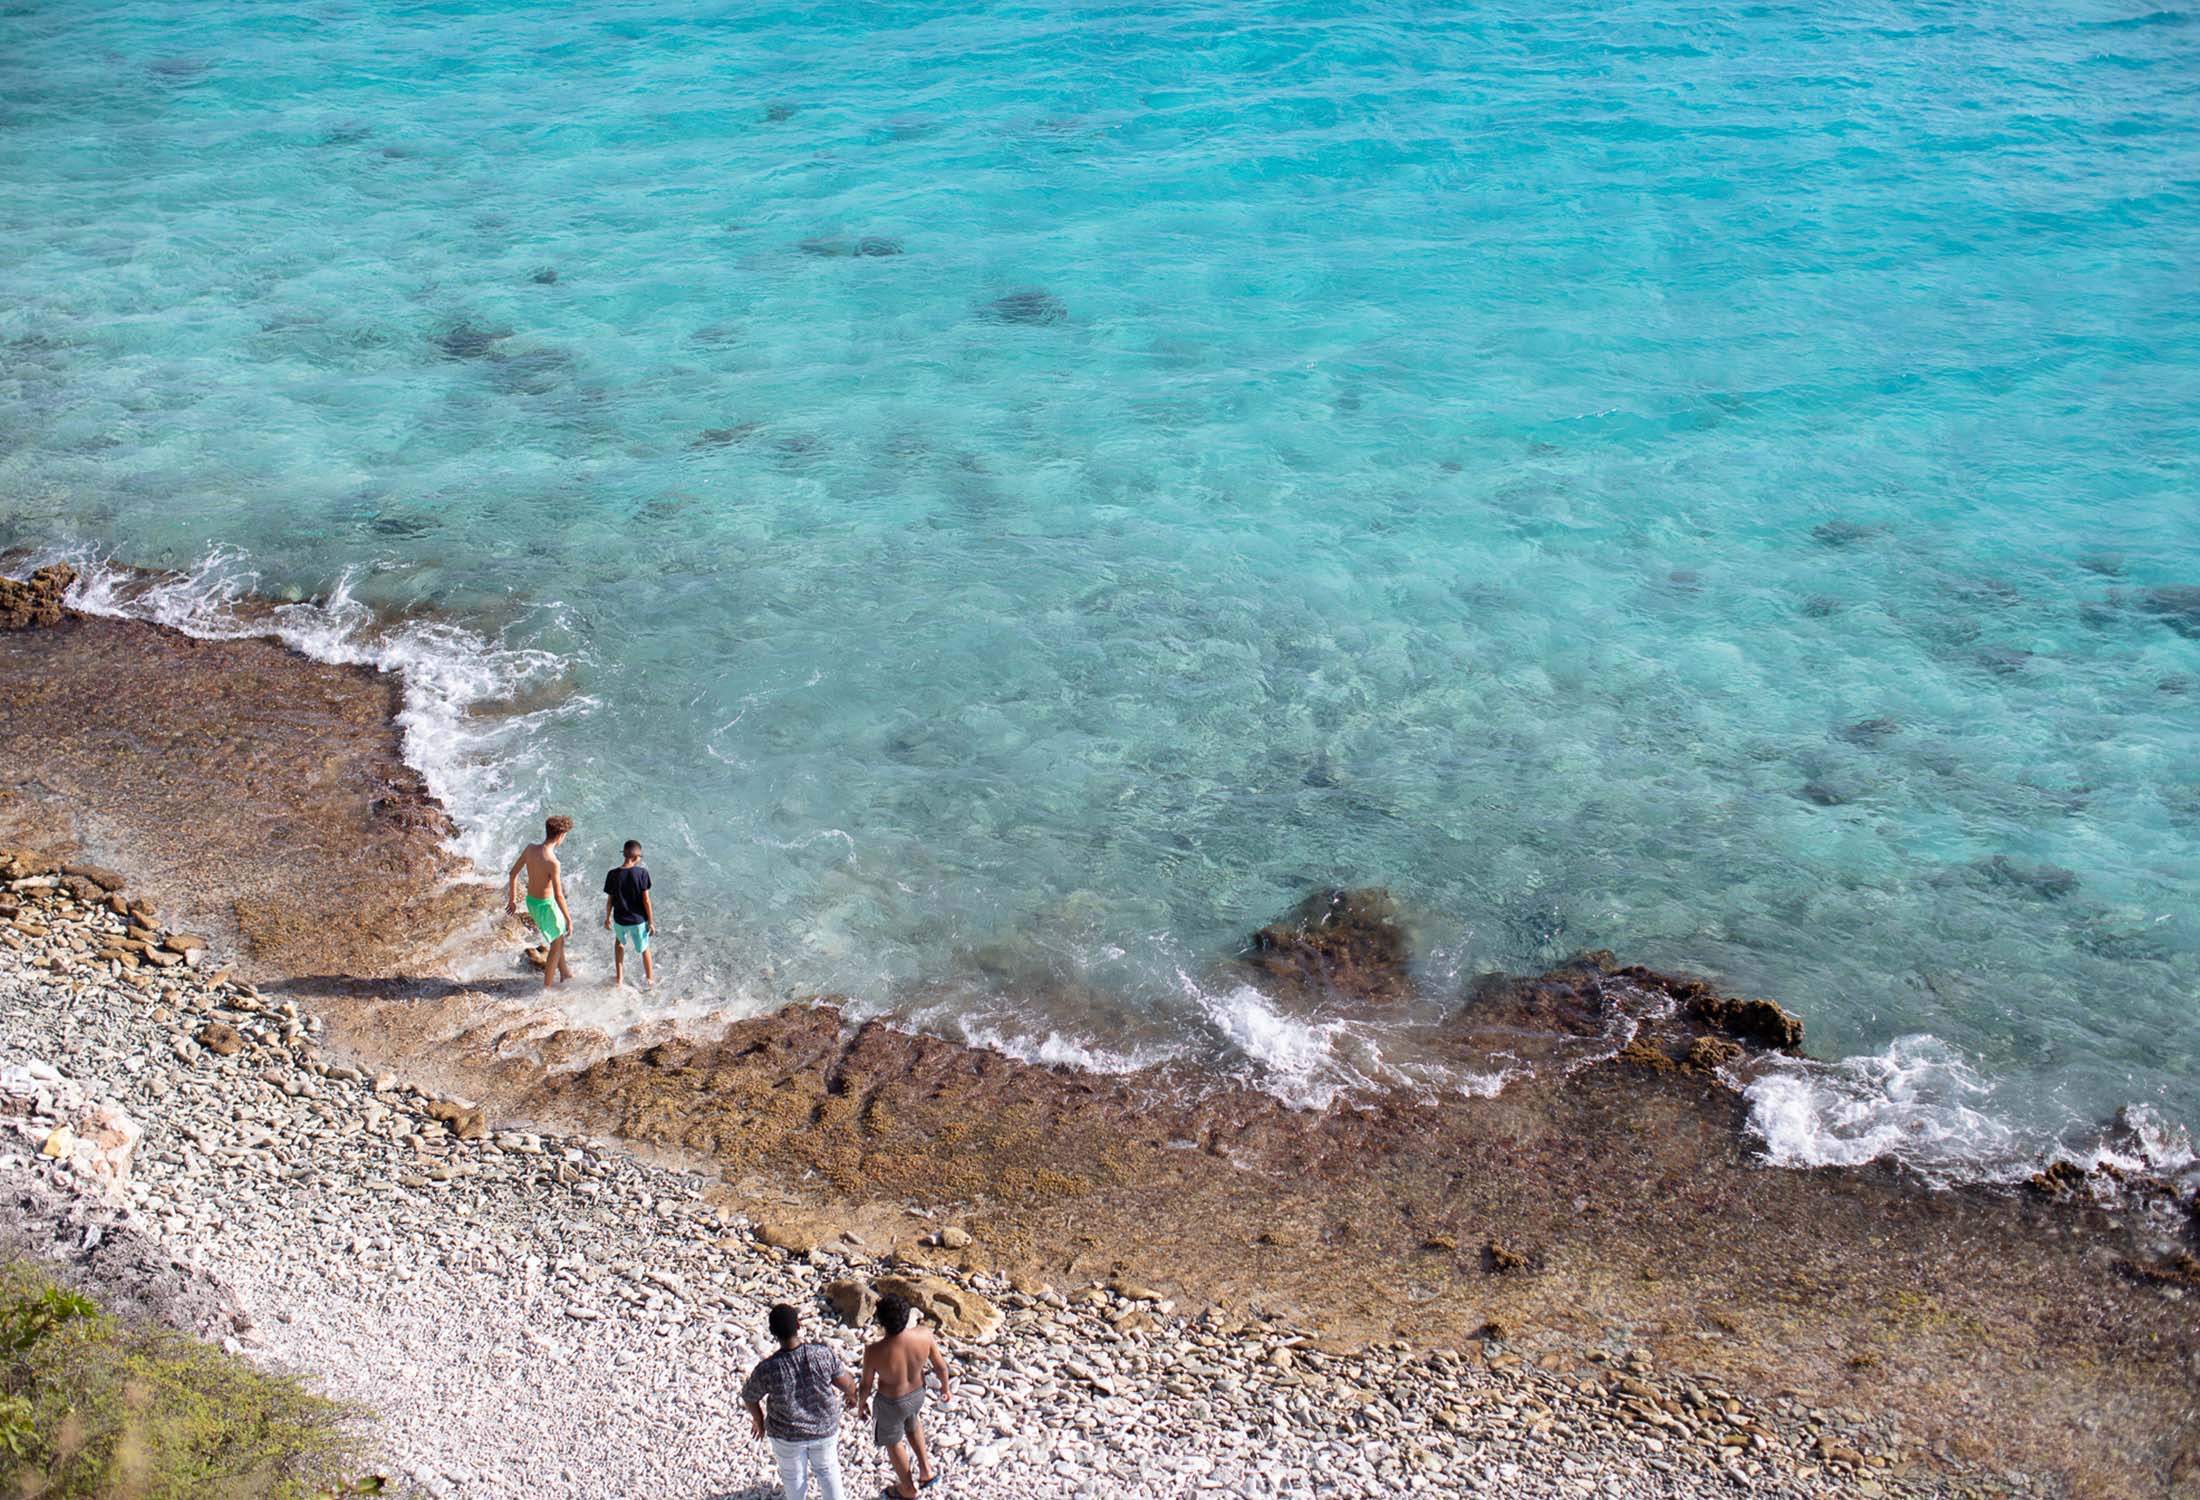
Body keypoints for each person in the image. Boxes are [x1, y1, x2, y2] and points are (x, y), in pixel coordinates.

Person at [742, 1303, 857, 1500]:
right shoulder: (822, 1354)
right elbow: (846, 1383)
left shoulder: (767, 1368)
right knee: (828, 1470)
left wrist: (759, 1421)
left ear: (772, 1332)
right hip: (823, 1429)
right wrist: (851, 1395)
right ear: (799, 1324)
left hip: (787, 1435)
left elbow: (749, 1397)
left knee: (793, 1477)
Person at [857, 1294, 952, 1498]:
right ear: (907, 1316)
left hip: (891, 1402)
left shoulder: (873, 1351)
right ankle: (926, 1470)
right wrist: (945, 1388)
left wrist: (861, 1404)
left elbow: (866, 1384)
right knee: (913, 1422)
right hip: (917, 1394)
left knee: (892, 1441)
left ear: (881, 1321)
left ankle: (907, 1488)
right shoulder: (924, 1335)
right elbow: (940, 1366)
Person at [503, 814, 574, 989]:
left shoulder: (530, 849)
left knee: (558, 939)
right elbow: (558, 895)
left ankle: (564, 973)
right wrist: (568, 919)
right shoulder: (553, 862)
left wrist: (512, 900)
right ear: (560, 836)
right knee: (556, 944)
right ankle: (547, 987)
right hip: (546, 905)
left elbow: (512, 874)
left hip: (531, 902)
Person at [602, 839, 655, 988]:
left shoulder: (612, 874)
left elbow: (610, 900)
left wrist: (607, 918)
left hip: (620, 919)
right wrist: (651, 921)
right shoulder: (642, 873)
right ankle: (650, 979)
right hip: (638, 920)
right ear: (637, 857)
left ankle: (619, 979)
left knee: (619, 944)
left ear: (624, 855)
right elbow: (646, 900)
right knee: (644, 948)